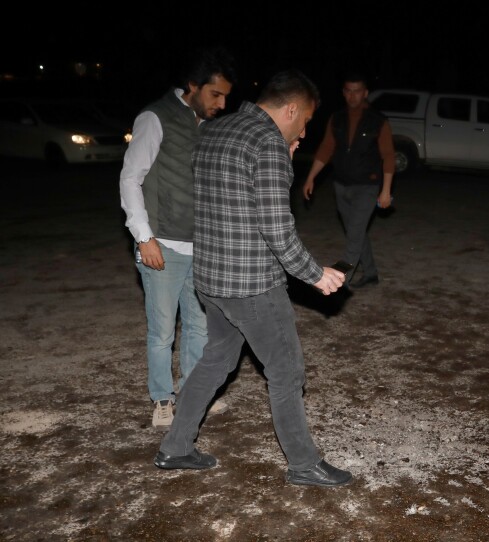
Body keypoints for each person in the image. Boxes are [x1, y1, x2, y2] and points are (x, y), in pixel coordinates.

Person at [153, 69, 353, 487]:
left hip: (211, 279)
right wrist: (315, 274)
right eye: (306, 121)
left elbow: (229, 198)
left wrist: (283, 160)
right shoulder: (266, 141)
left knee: (216, 360)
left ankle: (176, 446)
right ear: (292, 109)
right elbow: (277, 227)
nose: (305, 131)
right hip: (252, 285)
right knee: (286, 370)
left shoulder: (213, 130)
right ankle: (304, 464)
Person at [120, 46, 237, 430]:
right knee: (162, 331)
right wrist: (144, 237)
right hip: (163, 246)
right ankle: (162, 399)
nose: (221, 104)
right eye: (215, 94)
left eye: (226, 96)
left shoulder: (208, 124)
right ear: (193, 85)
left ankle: (192, 393)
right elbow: (131, 178)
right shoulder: (155, 117)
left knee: (200, 326)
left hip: (201, 245)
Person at [302, 72, 395, 288]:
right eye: (348, 91)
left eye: (357, 91)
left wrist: (386, 190)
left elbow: (389, 156)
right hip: (341, 184)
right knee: (356, 232)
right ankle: (370, 272)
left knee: (353, 236)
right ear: (344, 93)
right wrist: (310, 177)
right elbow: (326, 149)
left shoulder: (378, 120)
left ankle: (341, 284)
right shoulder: (337, 118)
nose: (353, 96)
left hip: (367, 186)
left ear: (365, 93)